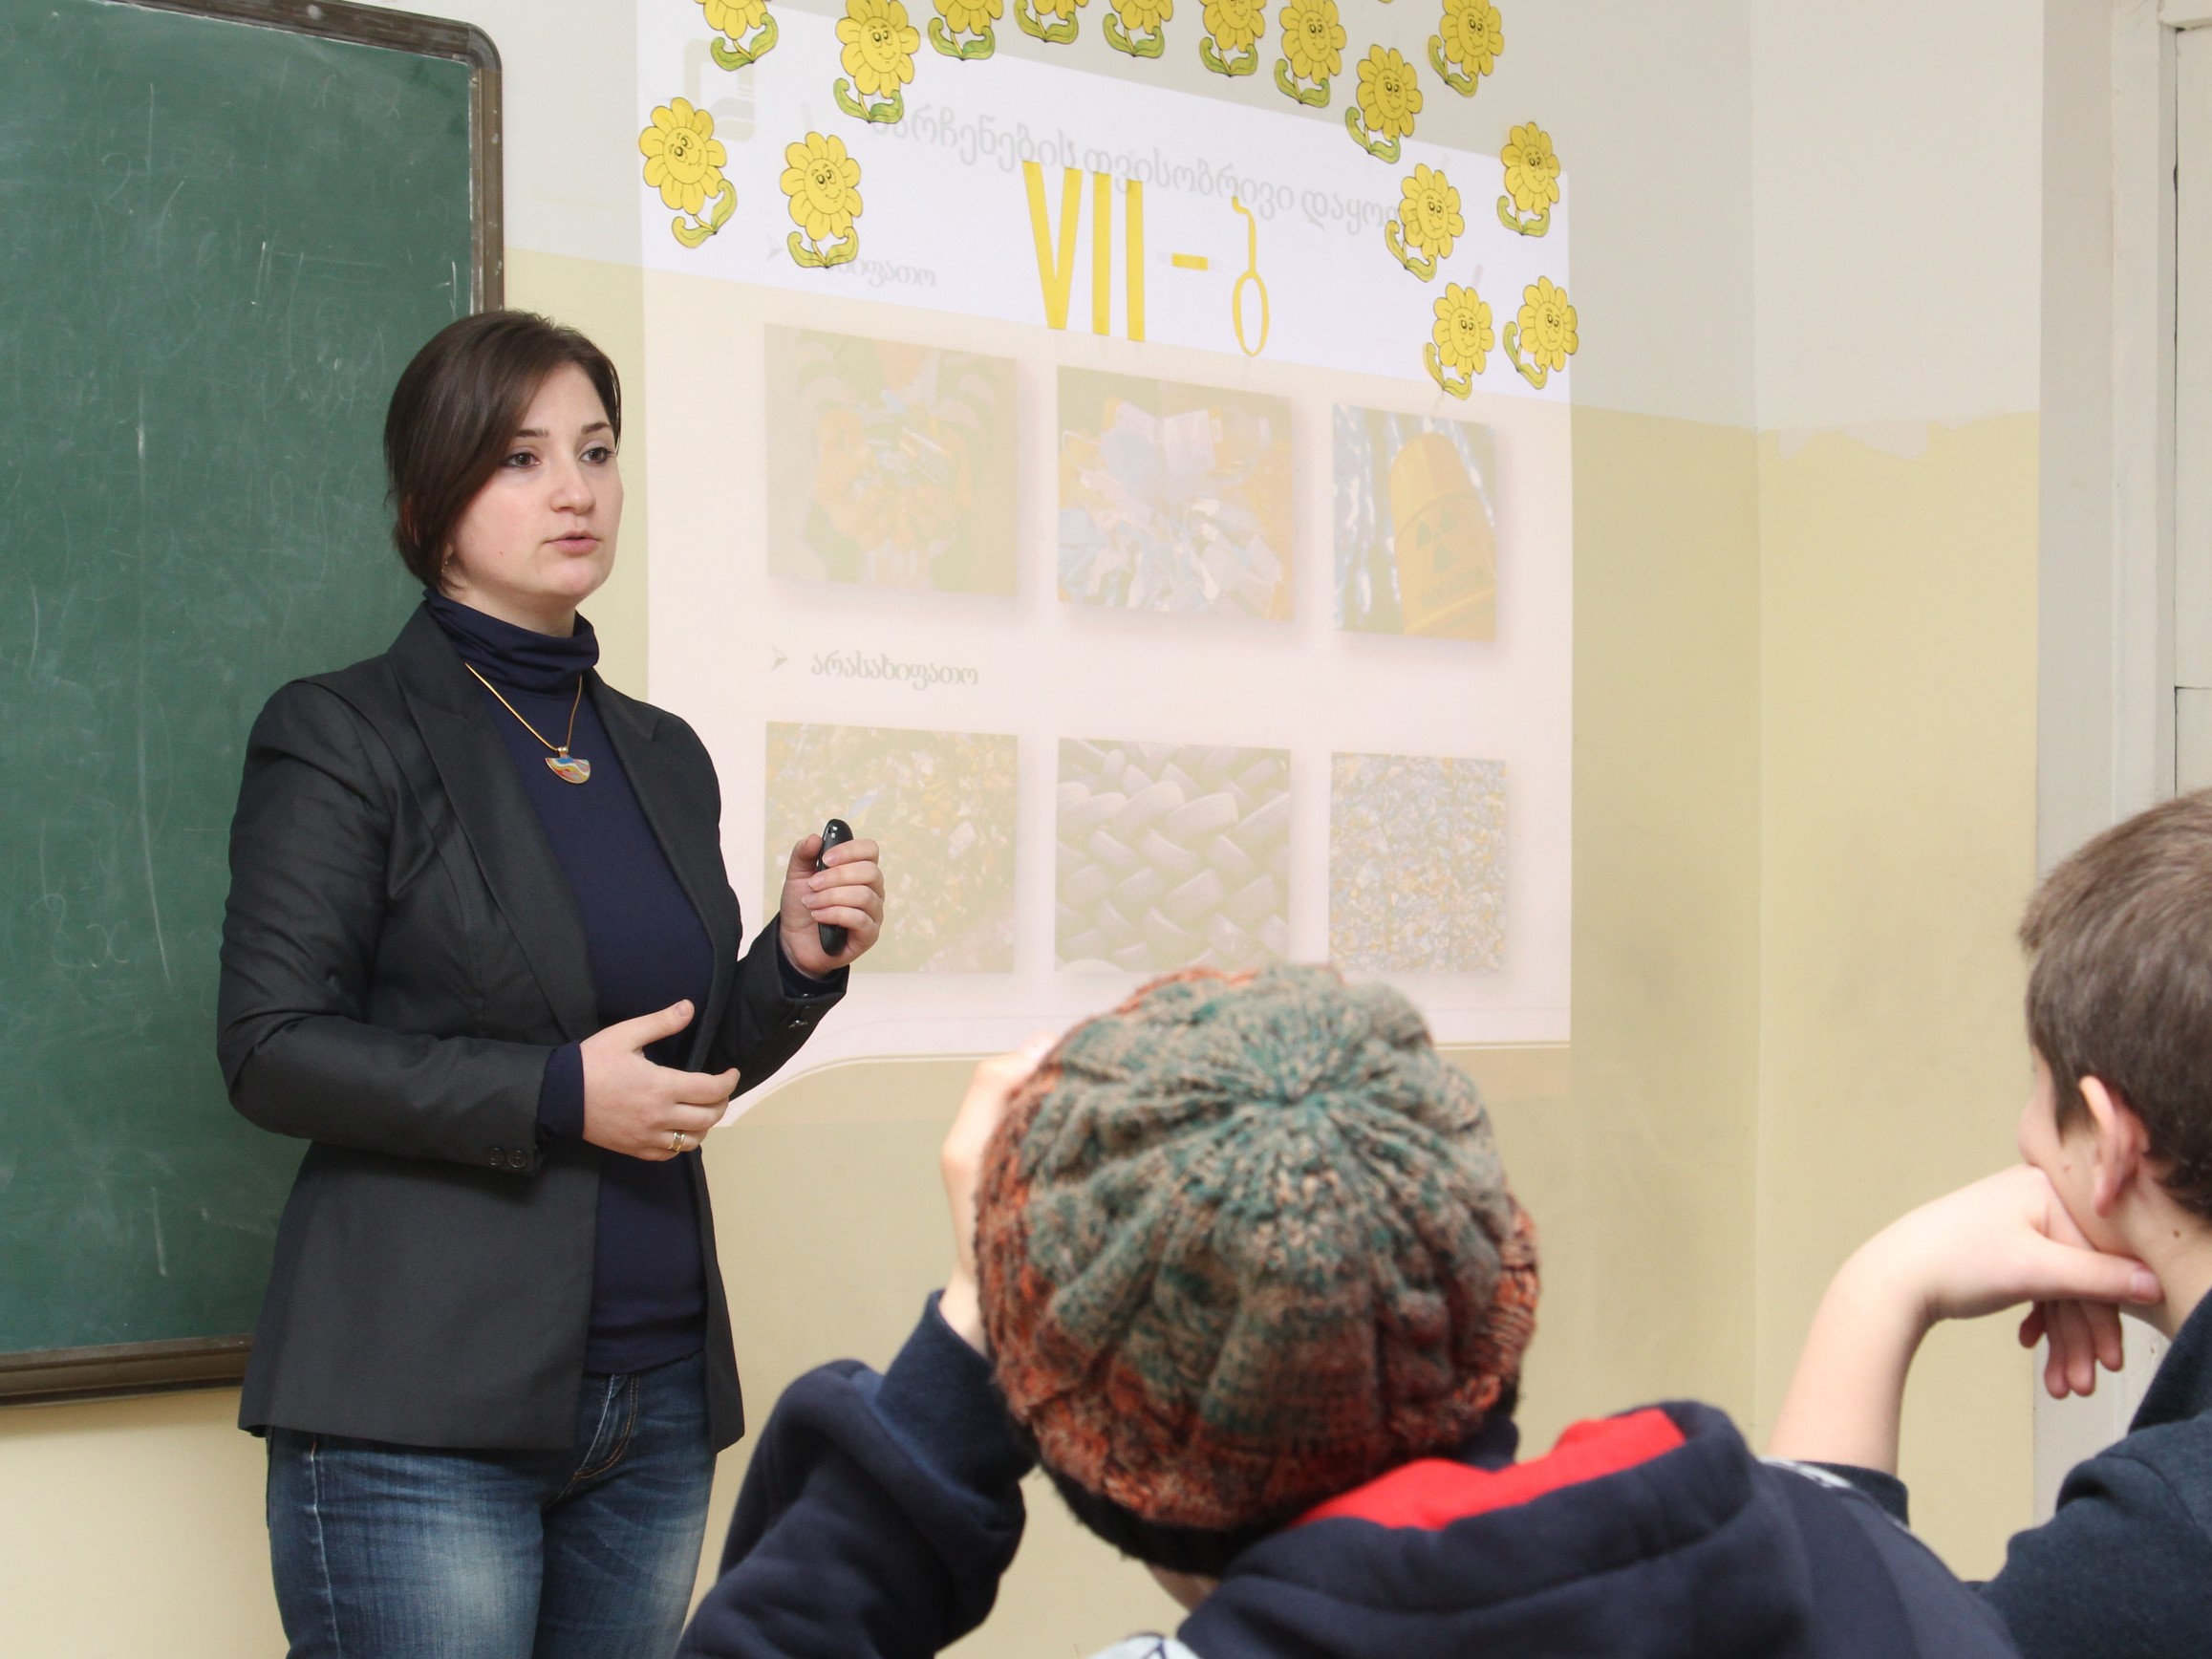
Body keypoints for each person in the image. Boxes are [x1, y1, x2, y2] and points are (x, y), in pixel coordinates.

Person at [677, 966, 2017, 1659]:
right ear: (1491, 1291)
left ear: (1099, 1458)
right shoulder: (1846, 1566)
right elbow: (1836, 1517)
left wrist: (981, 1319)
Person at [216, 310, 888, 1659]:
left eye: (595, 450)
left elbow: (675, 1065)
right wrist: (550, 1094)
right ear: (429, 502)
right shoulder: (340, 731)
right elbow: (270, 1046)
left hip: (654, 1398)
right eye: (519, 458)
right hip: (418, 1402)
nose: (573, 490)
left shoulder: (659, 749)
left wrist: (793, 962)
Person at [1771, 788, 2212, 1659]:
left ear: (2109, 1140)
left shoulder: (2167, 1539)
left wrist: (1880, 1287)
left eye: (2039, 1084)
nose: (2023, 1131)